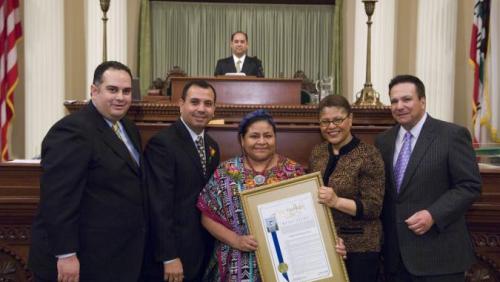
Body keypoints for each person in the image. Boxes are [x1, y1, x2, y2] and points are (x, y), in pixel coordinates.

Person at [28, 61, 147, 282]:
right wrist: (66, 254)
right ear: (94, 90)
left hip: (116, 256)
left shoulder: (127, 127)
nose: (120, 97)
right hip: (82, 260)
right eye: (112, 90)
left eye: (126, 91)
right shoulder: (72, 130)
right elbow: (58, 199)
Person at [197, 109, 346, 281]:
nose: (262, 141)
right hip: (236, 264)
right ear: (242, 140)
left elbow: (313, 220)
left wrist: (331, 243)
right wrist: (236, 240)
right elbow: (207, 217)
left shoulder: (293, 172)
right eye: (254, 136)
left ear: (275, 139)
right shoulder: (226, 172)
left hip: (289, 264)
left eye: (268, 136)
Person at [375, 74, 482, 281]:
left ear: (422, 101)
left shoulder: (451, 135)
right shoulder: (383, 141)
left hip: (439, 258)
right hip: (395, 260)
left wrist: (433, 214)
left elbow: (469, 185)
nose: (399, 106)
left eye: (406, 99)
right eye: (394, 101)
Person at [144, 80, 220, 282]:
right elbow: (158, 205)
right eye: (194, 102)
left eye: (208, 103)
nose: (201, 109)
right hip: (174, 254)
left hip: (203, 248)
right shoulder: (163, 144)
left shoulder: (212, 146)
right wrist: (168, 255)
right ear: (181, 104)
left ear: (214, 109)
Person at [308, 95, 385, 282]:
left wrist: (336, 201)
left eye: (337, 120)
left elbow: (373, 207)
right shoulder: (317, 153)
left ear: (350, 119)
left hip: (360, 248)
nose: (331, 126)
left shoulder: (369, 155)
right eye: (325, 122)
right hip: (325, 244)